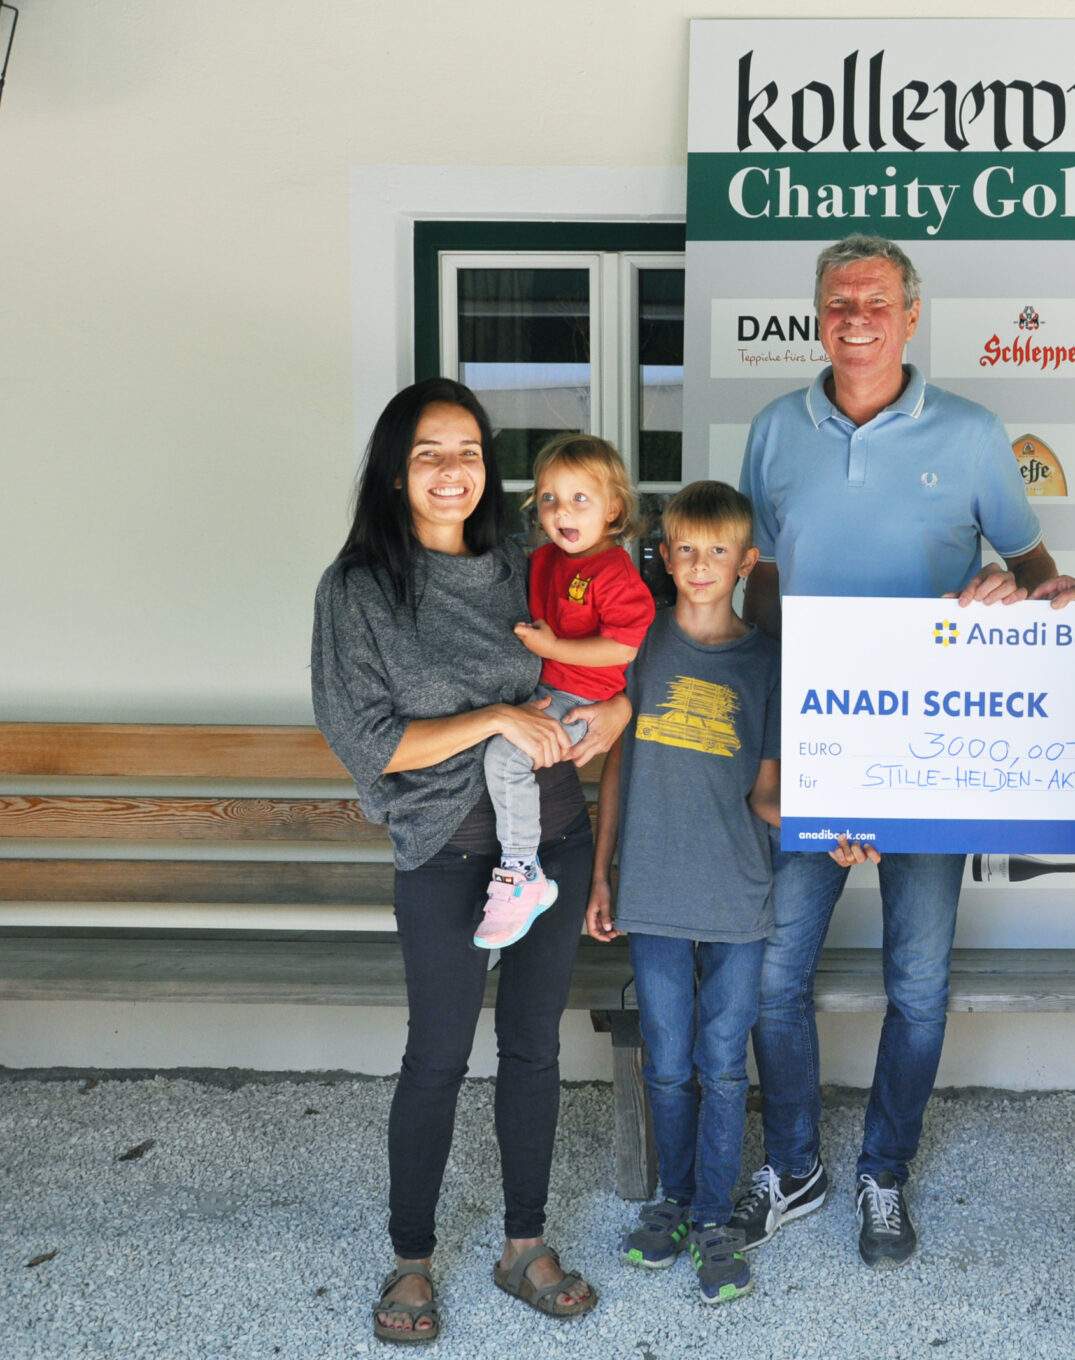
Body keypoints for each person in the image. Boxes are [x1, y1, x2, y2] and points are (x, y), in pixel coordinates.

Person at [735, 233, 1062, 1268]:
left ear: (912, 316)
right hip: (811, 742)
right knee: (772, 975)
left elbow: (1035, 570)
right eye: (838, 302)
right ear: (817, 316)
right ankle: (794, 1167)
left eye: (876, 301)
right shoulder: (773, 432)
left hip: (931, 756)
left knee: (918, 986)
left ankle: (883, 1169)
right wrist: (789, 720)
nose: (857, 318)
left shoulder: (970, 433)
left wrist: (1009, 593)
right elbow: (756, 581)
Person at [311, 378, 629, 1345]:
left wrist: (614, 713)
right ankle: (412, 1257)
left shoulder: (529, 562)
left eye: (469, 450)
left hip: (558, 841)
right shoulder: (360, 589)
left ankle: (522, 1244)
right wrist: (493, 716)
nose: (453, 469)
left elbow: (617, 650)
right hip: (448, 857)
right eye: (428, 452)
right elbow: (367, 739)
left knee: (533, 1049)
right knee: (438, 1058)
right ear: (395, 471)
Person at [585, 481, 861, 1305]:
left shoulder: (768, 662)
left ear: (747, 563)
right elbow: (616, 766)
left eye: (717, 552)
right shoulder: (637, 646)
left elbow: (768, 796)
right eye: (684, 550)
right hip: (656, 894)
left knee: (722, 1066)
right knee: (667, 1065)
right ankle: (670, 1202)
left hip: (741, 897)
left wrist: (832, 830)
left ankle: (713, 1215)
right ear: (663, 556)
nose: (698, 565)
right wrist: (601, 874)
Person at [476, 434, 655, 950]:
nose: (562, 511)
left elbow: (622, 648)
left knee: (506, 758)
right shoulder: (547, 559)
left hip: (578, 699)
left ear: (613, 509)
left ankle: (521, 872)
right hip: (546, 688)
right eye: (550, 498)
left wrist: (555, 645)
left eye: (581, 499)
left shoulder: (612, 569)